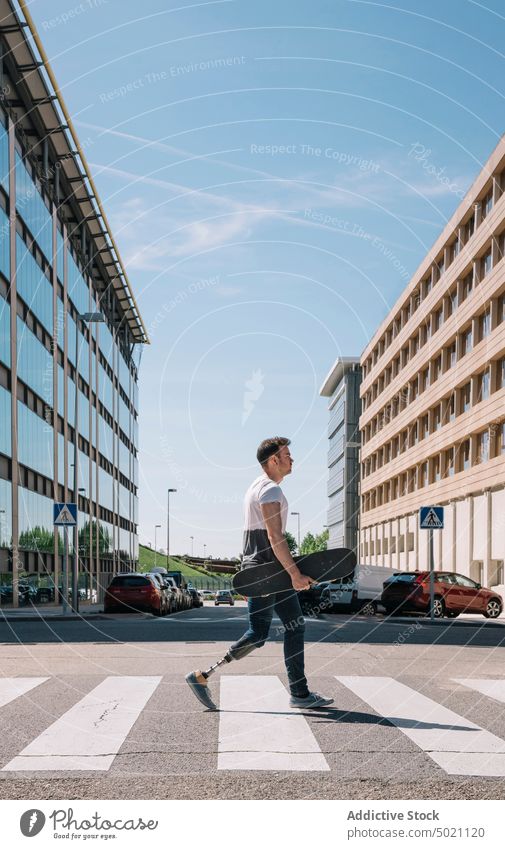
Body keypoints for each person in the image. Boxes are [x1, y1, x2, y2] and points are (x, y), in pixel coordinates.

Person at [186, 436, 333, 711]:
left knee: (282, 628)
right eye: (287, 454)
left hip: (264, 571)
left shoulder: (256, 487)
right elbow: (275, 537)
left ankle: (299, 693)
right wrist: (295, 574)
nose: (292, 459)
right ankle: (203, 675)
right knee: (261, 632)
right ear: (273, 460)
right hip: (267, 572)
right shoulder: (270, 491)